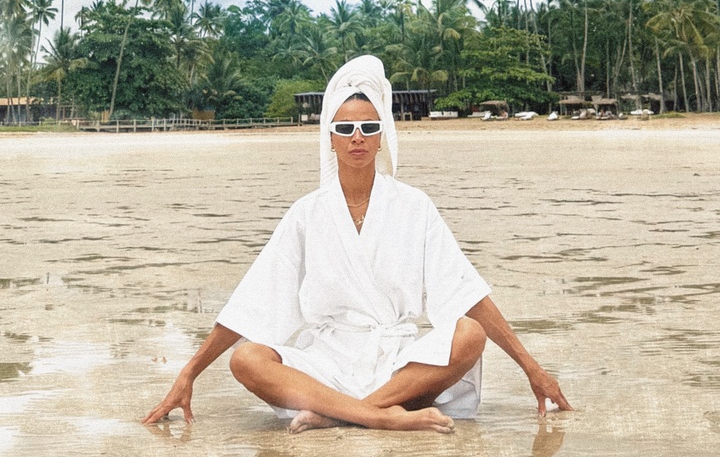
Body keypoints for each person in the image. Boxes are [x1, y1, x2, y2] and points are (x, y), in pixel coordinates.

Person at [143, 56, 572, 434]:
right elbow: (252, 301)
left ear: (382, 135)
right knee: (247, 359)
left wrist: (532, 368)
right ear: (330, 137)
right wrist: (189, 373)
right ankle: (383, 417)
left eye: (368, 127)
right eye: (345, 129)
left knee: (469, 334)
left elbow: (467, 294)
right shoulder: (306, 213)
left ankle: (345, 415)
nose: (357, 138)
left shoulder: (414, 206)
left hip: (398, 364)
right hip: (327, 362)